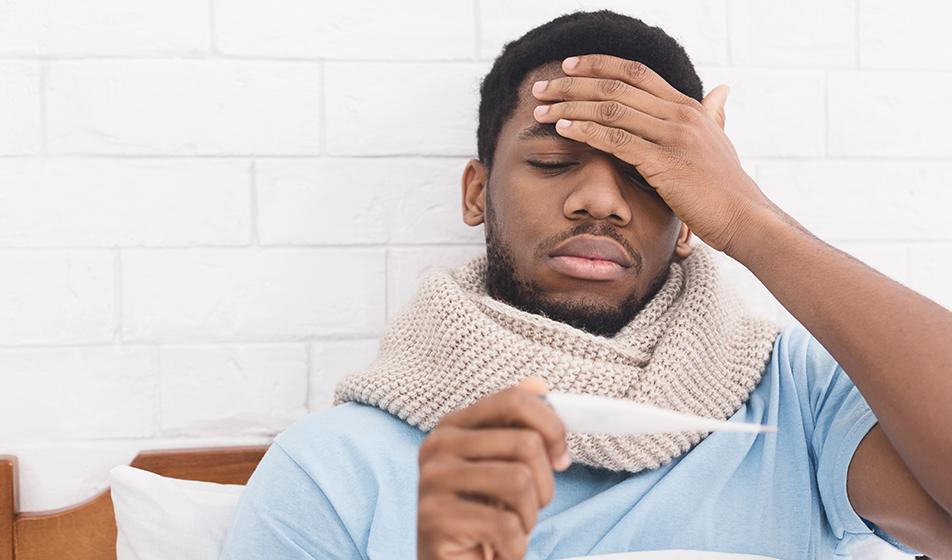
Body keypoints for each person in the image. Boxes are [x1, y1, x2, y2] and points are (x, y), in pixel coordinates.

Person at [219, 10, 951, 559]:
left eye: (649, 174)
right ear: (477, 193)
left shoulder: (801, 402)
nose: (600, 200)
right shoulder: (332, 468)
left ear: (693, 213)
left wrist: (749, 220)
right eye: (552, 163)